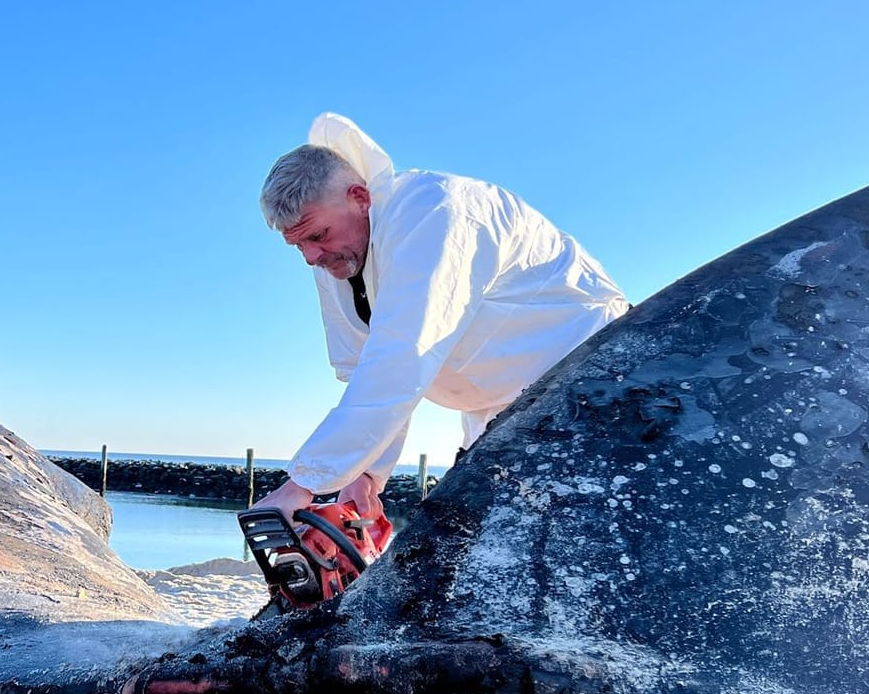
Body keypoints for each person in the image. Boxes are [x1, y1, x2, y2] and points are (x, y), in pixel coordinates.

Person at [252, 113, 629, 526]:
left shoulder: (432, 211)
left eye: (317, 235)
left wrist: (303, 484)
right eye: (298, 246)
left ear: (360, 197)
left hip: (591, 376)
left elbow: (403, 354)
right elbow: (365, 370)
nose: (310, 256)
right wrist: (365, 473)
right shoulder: (338, 257)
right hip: (495, 410)